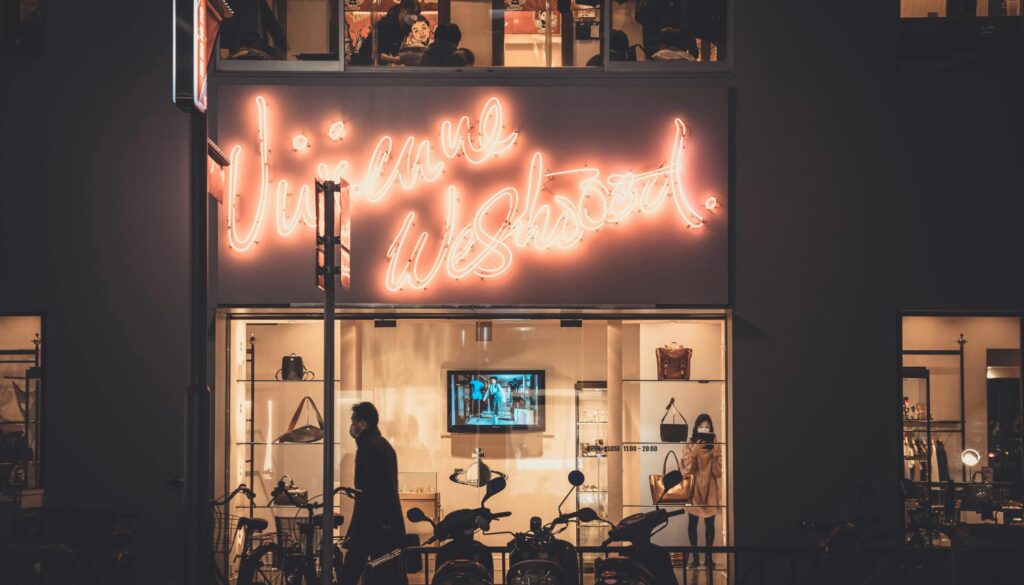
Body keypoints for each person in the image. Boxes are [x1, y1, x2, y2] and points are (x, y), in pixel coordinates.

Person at [341, 402, 406, 585]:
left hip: (371, 520)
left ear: (363, 424)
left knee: (352, 566)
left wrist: (382, 519)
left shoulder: (369, 448)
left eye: (354, 421)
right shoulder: (382, 445)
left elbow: (375, 488)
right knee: (387, 570)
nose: (352, 426)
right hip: (383, 521)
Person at [682, 414, 722, 569]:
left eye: (707, 427)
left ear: (711, 429)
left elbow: (719, 472)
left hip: (710, 488)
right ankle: (695, 557)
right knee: (692, 523)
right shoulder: (690, 444)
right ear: (696, 428)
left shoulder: (716, 444)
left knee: (709, 523)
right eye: (701, 427)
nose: (704, 429)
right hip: (694, 488)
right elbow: (686, 469)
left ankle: (708, 557)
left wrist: (714, 455)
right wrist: (694, 452)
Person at [353, 0, 422, 65]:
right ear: (402, 10)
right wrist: (396, 60)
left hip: (382, 64)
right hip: (366, 62)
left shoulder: (406, 27)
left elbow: (394, 50)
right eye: (412, 13)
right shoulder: (386, 25)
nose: (415, 17)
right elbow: (378, 54)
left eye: (417, 14)